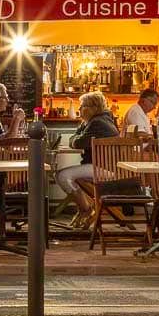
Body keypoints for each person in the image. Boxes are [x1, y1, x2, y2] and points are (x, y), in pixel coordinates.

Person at [54, 91, 119, 229]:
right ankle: (85, 208)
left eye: (82, 106)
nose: (79, 109)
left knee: (62, 176)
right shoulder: (100, 120)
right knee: (65, 175)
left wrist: (77, 135)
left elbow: (77, 142)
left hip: (104, 169)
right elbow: (76, 139)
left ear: (94, 108)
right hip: (102, 166)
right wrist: (79, 131)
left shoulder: (97, 123)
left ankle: (86, 209)